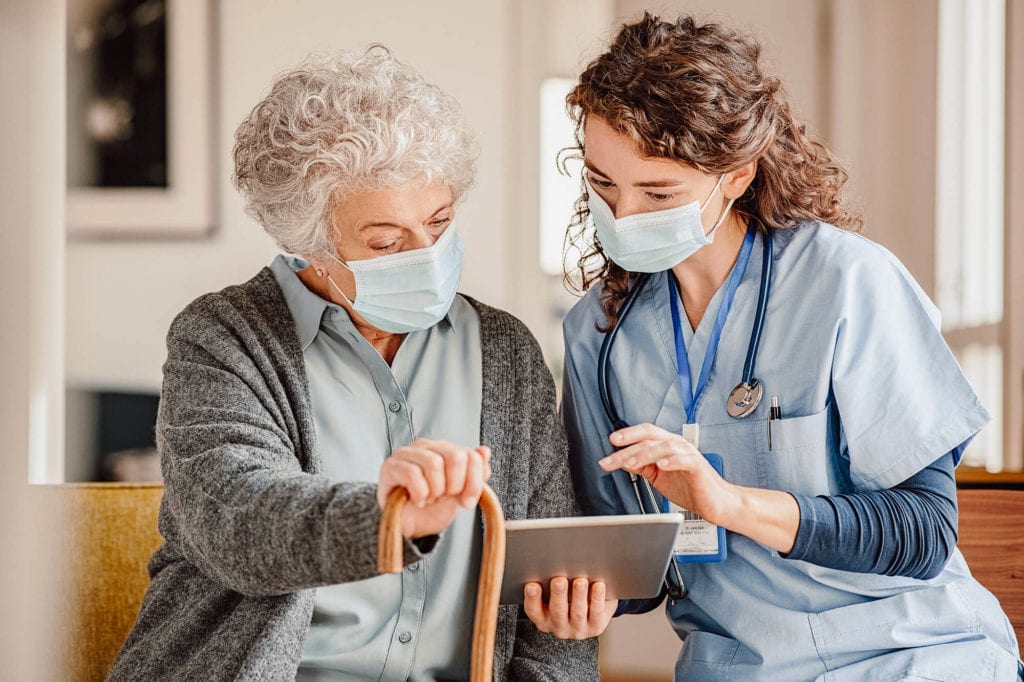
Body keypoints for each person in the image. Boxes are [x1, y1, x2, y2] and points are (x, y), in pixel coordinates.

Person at [553, 13, 1021, 680]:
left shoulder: (848, 283)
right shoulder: (598, 333)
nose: (623, 216)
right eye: (603, 185)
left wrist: (727, 503)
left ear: (737, 175)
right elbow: (637, 573)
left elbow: (923, 530)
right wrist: (584, 596)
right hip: (740, 665)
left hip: (912, 654)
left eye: (658, 193)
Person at [107, 46, 598, 681]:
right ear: (306, 243)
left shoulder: (505, 350)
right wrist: (387, 518)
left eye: (440, 221)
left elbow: (547, 576)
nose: (427, 254)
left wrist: (569, 614)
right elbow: (234, 518)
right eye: (386, 242)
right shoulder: (223, 337)